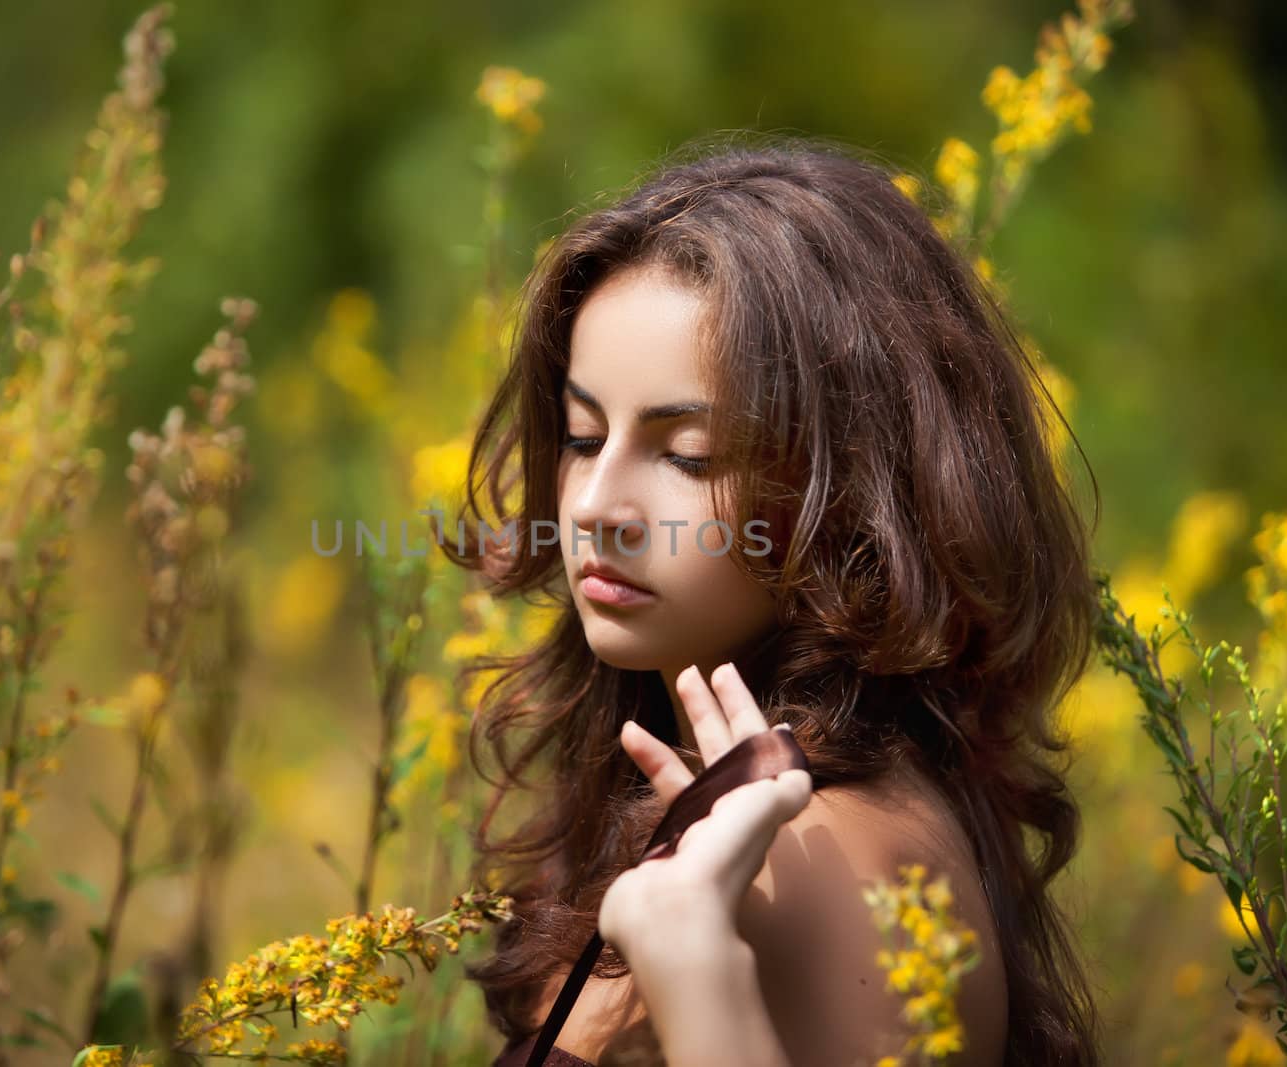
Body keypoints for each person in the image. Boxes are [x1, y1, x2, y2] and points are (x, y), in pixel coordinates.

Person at [433, 136, 1102, 1066]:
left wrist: (694, 968)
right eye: (585, 436)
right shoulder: (727, 806)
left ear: (860, 496)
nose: (594, 506)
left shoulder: (825, 858)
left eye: (687, 454)